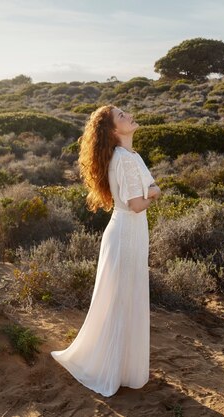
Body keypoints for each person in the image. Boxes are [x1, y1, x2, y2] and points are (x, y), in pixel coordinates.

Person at [50, 105, 162, 397]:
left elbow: (148, 188)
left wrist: (151, 193)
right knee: (122, 301)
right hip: (127, 232)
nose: (129, 116)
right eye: (122, 116)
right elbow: (138, 203)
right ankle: (113, 370)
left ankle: (121, 369)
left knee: (123, 299)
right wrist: (153, 197)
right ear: (114, 131)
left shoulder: (130, 156)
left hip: (129, 232)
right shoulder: (124, 159)